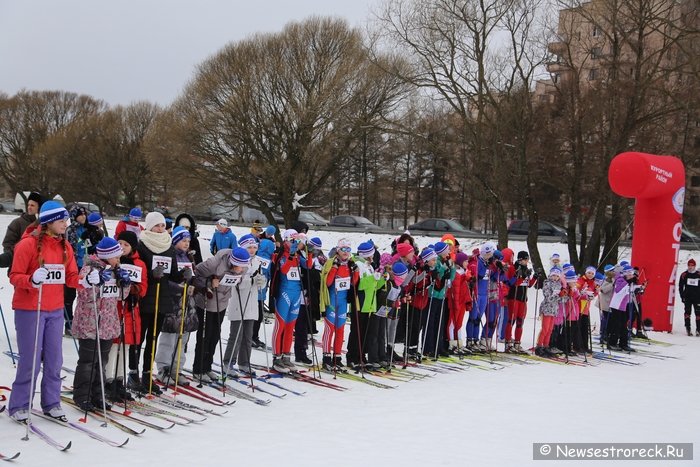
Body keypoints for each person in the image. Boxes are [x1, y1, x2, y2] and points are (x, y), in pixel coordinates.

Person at [8, 201, 80, 422]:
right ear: (49, 222)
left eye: (66, 220)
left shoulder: (64, 246)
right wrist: (31, 279)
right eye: (61, 220)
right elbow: (14, 275)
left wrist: (87, 279)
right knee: (30, 359)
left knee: (54, 359)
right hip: (30, 309)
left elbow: (71, 277)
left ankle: (51, 401)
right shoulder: (27, 245)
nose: (66, 224)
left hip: (55, 309)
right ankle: (19, 404)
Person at [127, 212, 185, 395]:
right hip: (145, 298)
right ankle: (133, 373)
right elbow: (137, 269)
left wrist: (183, 275)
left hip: (162, 298)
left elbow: (173, 273)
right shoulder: (142, 244)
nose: (160, 229)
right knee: (139, 338)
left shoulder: (168, 245)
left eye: (162, 226)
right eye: (156, 226)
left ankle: (147, 374)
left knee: (153, 338)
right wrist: (152, 275)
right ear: (149, 227)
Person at [72, 237, 131, 411]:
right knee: (88, 362)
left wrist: (124, 283)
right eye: (116, 257)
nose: (119, 260)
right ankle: (82, 395)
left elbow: (121, 296)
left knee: (102, 362)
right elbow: (84, 296)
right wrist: (95, 283)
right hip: (90, 323)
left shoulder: (115, 270)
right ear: (106, 256)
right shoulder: (89, 269)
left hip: (107, 323)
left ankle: (98, 394)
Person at [104, 230, 147, 402]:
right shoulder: (112, 262)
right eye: (119, 243)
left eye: (126, 245)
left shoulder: (139, 264)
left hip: (130, 309)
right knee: (113, 347)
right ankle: (108, 381)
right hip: (114, 308)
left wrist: (133, 288)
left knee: (126, 347)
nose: (122, 248)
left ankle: (120, 381)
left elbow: (143, 287)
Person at [192, 239, 240, 382]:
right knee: (205, 336)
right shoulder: (215, 263)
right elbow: (197, 274)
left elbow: (239, 278)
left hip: (222, 301)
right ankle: (198, 369)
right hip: (207, 301)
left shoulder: (242, 266)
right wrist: (209, 283)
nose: (241, 269)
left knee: (215, 336)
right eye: (238, 266)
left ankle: (208, 367)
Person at [155, 226, 197, 384]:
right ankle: (163, 368)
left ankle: (177, 367)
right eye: (183, 241)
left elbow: (193, 276)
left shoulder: (188, 258)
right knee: (169, 337)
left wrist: (194, 285)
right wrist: (177, 287)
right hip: (172, 302)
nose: (187, 244)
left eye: (188, 241)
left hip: (186, 302)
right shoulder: (170, 255)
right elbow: (166, 278)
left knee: (183, 337)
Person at [269, 229, 311, 372]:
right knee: (280, 325)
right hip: (284, 293)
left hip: (296, 294)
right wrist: (291, 255)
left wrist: (308, 252)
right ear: (285, 240)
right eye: (291, 241)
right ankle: (277, 357)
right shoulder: (281, 255)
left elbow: (308, 265)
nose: (293, 243)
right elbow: (284, 270)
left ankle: (286, 356)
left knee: (290, 327)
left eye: (296, 241)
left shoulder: (298, 255)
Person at [223, 247, 267, 377]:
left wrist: (261, 282)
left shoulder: (257, 262)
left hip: (252, 303)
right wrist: (251, 281)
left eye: (254, 247)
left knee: (248, 336)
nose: (252, 250)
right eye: (249, 247)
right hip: (239, 303)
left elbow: (261, 281)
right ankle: (228, 362)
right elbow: (238, 282)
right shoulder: (239, 261)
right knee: (236, 335)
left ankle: (244, 362)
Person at [319, 238, 359, 371]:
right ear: (338, 250)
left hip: (342, 302)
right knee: (329, 330)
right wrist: (335, 268)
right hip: (331, 301)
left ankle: (337, 357)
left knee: (340, 330)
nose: (345, 252)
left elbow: (353, 284)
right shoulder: (331, 262)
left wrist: (356, 271)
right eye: (343, 249)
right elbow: (328, 282)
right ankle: (326, 358)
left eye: (348, 249)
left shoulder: (350, 264)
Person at [347, 241, 385, 370]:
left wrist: (381, 278)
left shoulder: (369, 265)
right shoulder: (358, 264)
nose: (373, 257)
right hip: (360, 302)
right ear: (367, 254)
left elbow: (375, 285)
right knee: (356, 331)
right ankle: (352, 357)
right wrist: (373, 278)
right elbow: (360, 285)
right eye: (372, 254)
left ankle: (361, 355)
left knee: (365, 332)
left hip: (369, 303)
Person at [423, 242, 454, 358]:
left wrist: (451, 268)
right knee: (430, 322)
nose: (448, 252)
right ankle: (428, 347)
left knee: (439, 322)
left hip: (441, 295)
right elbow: (437, 277)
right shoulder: (436, 261)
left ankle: (438, 346)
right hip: (433, 295)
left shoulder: (445, 261)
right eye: (447, 250)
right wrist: (443, 269)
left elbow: (451, 277)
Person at [504, 251, 537, 353]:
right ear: (520, 259)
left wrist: (535, 277)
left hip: (523, 299)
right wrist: (521, 276)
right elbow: (511, 283)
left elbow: (528, 284)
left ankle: (517, 343)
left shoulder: (526, 269)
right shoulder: (514, 268)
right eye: (526, 259)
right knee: (511, 320)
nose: (527, 261)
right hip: (514, 298)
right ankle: (508, 343)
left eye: (527, 260)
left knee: (520, 322)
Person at [0, 192, 43, 268]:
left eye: (32, 205)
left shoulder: (45, 224)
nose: (29, 207)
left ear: (39, 207)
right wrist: (18, 258)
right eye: (28, 205)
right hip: (20, 267)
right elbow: (7, 244)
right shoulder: (17, 223)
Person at [64, 205, 89, 335]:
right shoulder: (70, 230)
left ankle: (82, 323)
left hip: (86, 267)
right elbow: (69, 249)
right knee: (69, 296)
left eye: (84, 214)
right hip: (74, 266)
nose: (83, 216)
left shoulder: (89, 229)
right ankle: (68, 323)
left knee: (85, 296)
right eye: (80, 214)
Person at [607, 264, 637, 352]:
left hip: (623, 306)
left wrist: (636, 288)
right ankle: (612, 343)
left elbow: (629, 292)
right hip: (616, 306)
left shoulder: (629, 281)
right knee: (617, 325)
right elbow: (618, 290)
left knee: (624, 325)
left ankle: (623, 343)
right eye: (629, 274)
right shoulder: (620, 280)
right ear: (625, 274)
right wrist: (627, 284)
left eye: (632, 274)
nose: (631, 275)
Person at [252, 237, 275, 349]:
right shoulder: (263, 258)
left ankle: (254, 337)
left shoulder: (264, 257)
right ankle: (252, 337)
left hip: (261, 291)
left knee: (258, 316)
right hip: (257, 292)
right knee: (257, 316)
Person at [535, 267, 563, 356]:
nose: (555, 277)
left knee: (550, 329)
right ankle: (539, 346)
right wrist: (556, 296)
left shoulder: (559, 284)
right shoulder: (547, 283)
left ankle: (546, 346)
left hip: (554, 309)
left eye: (557, 276)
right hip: (547, 308)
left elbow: (561, 300)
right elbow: (548, 296)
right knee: (545, 329)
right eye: (553, 275)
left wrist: (564, 296)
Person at [447, 252, 472, 353]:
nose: (467, 263)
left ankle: (459, 342)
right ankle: (452, 343)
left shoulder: (464, 272)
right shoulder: (456, 274)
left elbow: (465, 288)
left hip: (462, 301)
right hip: (455, 302)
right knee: (452, 323)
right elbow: (455, 290)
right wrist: (456, 303)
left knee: (459, 323)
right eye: (465, 261)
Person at [576, 266, 598, 353]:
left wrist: (596, 292)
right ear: (585, 272)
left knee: (585, 328)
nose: (590, 275)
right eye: (589, 273)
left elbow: (593, 294)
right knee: (579, 327)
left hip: (586, 307)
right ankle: (578, 345)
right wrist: (584, 292)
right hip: (579, 307)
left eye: (592, 274)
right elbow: (577, 292)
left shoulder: (593, 282)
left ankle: (585, 345)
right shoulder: (581, 280)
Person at [679, 258, 700, 336]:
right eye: (689, 265)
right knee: (687, 313)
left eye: (692, 265)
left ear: (695, 266)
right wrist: (682, 296)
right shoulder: (684, 274)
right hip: (687, 297)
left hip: (697, 298)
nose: (690, 267)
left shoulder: (698, 274)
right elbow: (681, 287)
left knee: (698, 313)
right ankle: (688, 328)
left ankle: (698, 330)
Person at [597, 264, 615, 345]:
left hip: (610, 303)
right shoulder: (606, 280)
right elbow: (603, 290)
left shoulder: (612, 279)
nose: (613, 272)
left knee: (609, 320)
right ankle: (603, 336)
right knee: (605, 321)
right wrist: (612, 285)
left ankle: (606, 335)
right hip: (604, 303)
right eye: (612, 271)